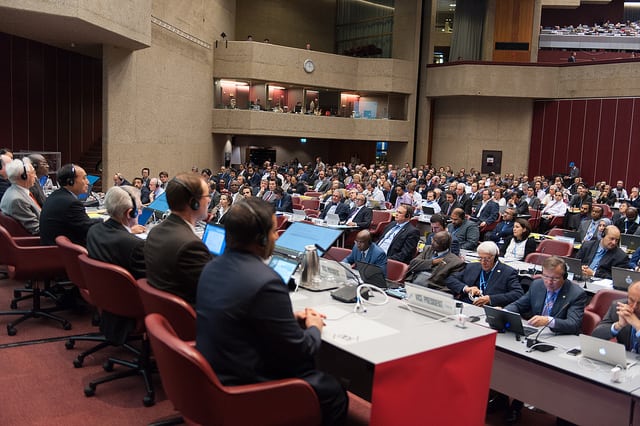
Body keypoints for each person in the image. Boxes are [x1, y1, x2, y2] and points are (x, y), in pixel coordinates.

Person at [196, 198, 348, 425]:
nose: (277, 237)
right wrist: (314, 326)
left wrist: (288, 318)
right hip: (248, 385)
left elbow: (243, 314)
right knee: (333, 390)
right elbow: (301, 350)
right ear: (261, 238)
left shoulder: (211, 267)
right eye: (274, 231)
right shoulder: (267, 282)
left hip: (215, 372)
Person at [503, 256, 587, 423]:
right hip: (536, 336)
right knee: (512, 362)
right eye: (546, 276)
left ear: (564, 277)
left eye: (555, 278)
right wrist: (505, 312)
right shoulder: (537, 285)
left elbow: (573, 324)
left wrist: (548, 320)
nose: (549, 282)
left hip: (560, 341)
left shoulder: (576, 293)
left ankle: (562, 416)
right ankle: (514, 403)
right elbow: (519, 305)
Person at [86, 186, 146, 344]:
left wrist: (128, 232)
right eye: (138, 209)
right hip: (130, 305)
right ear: (129, 213)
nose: (139, 213)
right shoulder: (134, 245)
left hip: (104, 297)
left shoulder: (94, 230)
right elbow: (151, 280)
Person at [144, 173, 212, 305]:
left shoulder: (155, 232)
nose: (209, 200)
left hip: (163, 311)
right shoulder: (191, 245)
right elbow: (211, 292)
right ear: (194, 203)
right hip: (188, 318)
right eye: (206, 196)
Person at [39, 164, 102, 246]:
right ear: (70, 181)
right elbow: (89, 228)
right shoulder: (71, 203)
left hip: (53, 249)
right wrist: (105, 221)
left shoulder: (56, 195)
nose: (88, 182)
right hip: (65, 254)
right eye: (84, 178)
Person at [446, 241, 523, 306]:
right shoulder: (472, 266)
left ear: (495, 257)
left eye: (487, 259)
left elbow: (518, 294)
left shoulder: (507, 272)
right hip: (467, 305)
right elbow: (450, 279)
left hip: (489, 308)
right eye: (480, 258)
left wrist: (490, 299)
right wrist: (467, 288)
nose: (483, 262)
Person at [592, 281, 640, 352]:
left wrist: (638, 326)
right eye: (631, 300)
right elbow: (595, 335)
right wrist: (618, 326)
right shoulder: (618, 307)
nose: (634, 306)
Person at [0, 158, 40, 234]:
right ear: (24, 176)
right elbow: (36, 229)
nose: (35, 176)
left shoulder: (15, 191)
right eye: (33, 173)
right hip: (37, 242)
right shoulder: (17, 200)